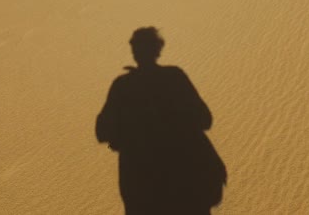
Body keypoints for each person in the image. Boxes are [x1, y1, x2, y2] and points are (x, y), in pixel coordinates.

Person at [96, 27, 227, 215]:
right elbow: (205, 119)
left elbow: (102, 131)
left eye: (137, 46)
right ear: (158, 49)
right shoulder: (175, 77)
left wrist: (128, 137)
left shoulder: (123, 86)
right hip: (183, 178)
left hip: (142, 180)